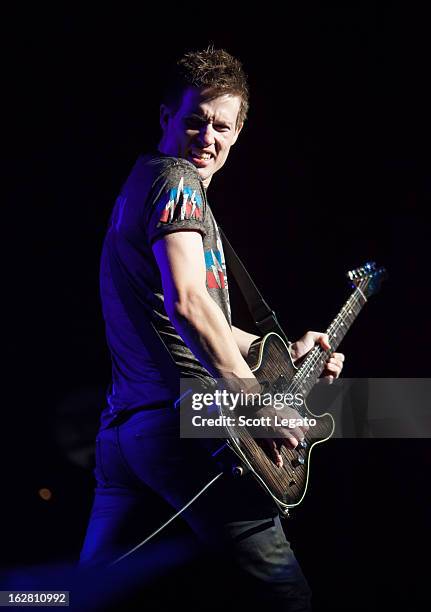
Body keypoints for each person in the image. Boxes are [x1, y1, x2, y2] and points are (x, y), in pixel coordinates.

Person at [79, 47, 344, 609]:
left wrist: (279, 350)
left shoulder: (145, 184)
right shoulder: (176, 181)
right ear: (165, 119)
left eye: (221, 125)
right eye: (194, 120)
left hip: (124, 436)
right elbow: (189, 304)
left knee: (85, 597)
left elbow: (190, 315)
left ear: (239, 132)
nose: (207, 137)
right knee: (287, 598)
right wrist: (255, 405)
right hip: (184, 429)